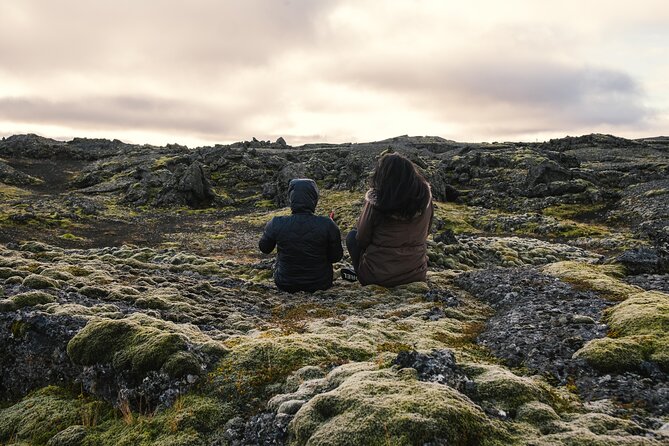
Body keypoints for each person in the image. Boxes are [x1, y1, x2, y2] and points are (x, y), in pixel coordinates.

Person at [345, 153, 433, 287]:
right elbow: (426, 232)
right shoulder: (425, 199)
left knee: (351, 237)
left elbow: (362, 238)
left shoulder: (376, 202)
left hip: (377, 277)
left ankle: (359, 273)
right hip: (416, 274)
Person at [259, 178, 343, 292]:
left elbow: (264, 248)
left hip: (285, 283)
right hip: (320, 283)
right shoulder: (328, 224)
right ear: (314, 198)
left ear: (291, 198)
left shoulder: (276, 222)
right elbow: (336, 257)